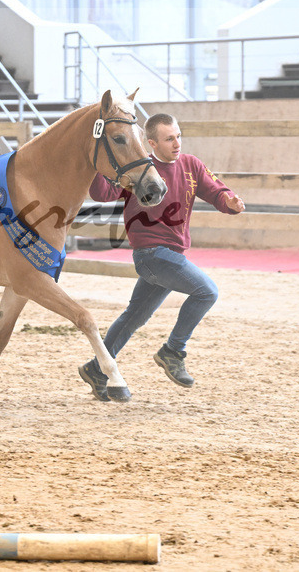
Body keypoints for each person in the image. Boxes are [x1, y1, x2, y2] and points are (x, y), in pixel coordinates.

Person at [78, 113, 245, 402]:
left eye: (179, 136)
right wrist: (95, 163)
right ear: (151, 143)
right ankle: (173, 352)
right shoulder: (139, 169)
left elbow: (216, 190)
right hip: (151, 254)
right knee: (206, 292)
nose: (177, 143)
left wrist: (229, 202)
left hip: (169, 257)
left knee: (135, 317)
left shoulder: (191, 164)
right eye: (170, 139)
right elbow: (103, 192)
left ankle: (96, 369)